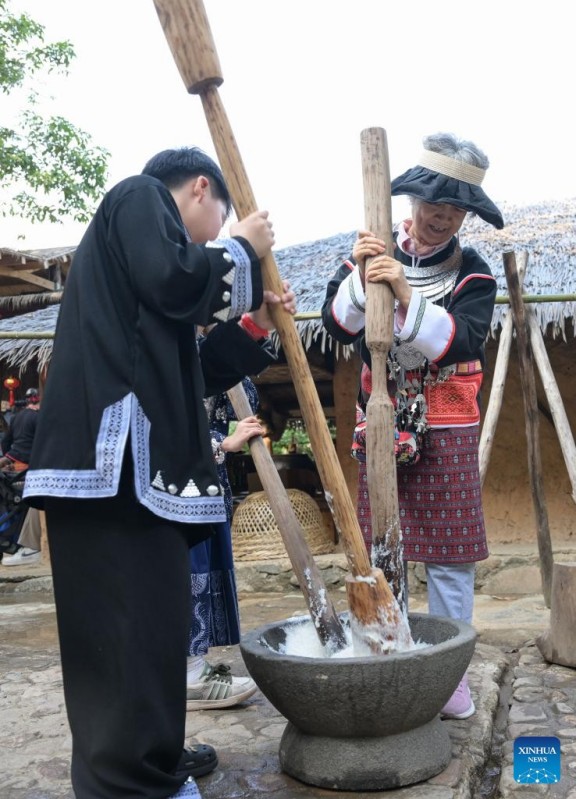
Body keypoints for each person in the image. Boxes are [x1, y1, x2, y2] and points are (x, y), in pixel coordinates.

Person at [23, 146, 296, 799]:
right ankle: (136, 782)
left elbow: (190, 372)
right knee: (124, 640)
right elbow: (177, 276)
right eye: (217, 218)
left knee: (143, 636)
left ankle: (144, 765)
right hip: (113, 473)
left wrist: (252, 323)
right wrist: (242, 246)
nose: (211, 236)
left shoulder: (145, 295)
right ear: (201, 189)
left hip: (127, 481)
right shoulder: (138, 198)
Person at [322, 132, 503, 721]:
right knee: (383, 548)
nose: (440, 217)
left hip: (448, 426)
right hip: (381, 423)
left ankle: (449, 673)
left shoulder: (473, 274)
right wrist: (366, 273)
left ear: (465, 217)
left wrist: (403, 291)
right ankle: (390, 655)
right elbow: (339, 326)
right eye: (432, 206)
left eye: (454, 211)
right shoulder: (366, 254)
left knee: (450, 557)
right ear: (412, 204)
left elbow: (462, 340)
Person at [186, 377, 262, 709]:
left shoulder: (201, 353)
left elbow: (245, 400)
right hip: (180, 486)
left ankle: (193, 665)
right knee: (187, 573)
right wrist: (223, 444)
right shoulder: (160, 347)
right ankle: (187, 678)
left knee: (204, 570)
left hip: (209, 487)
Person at [0, 388, 40, 471]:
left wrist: (8, 456)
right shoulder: (39, 417)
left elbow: (5, 441)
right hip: (32, 462)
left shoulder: (15, 417)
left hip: (14, 458)